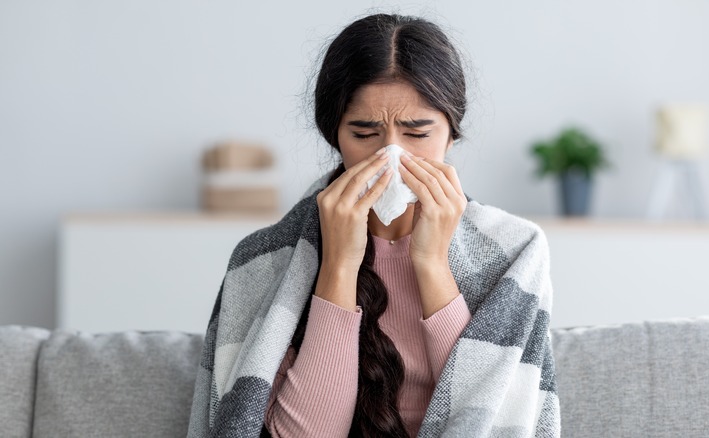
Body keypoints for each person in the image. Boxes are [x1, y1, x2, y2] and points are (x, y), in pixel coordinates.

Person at [188, 13, 560, 438]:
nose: (390, 156)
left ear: (451, 136)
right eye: (364, 134)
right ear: (335, 137)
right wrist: (340, 265)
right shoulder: (265, 260)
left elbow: (491, 423)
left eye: (417, 133)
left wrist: (432, 263)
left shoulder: (515, 252)